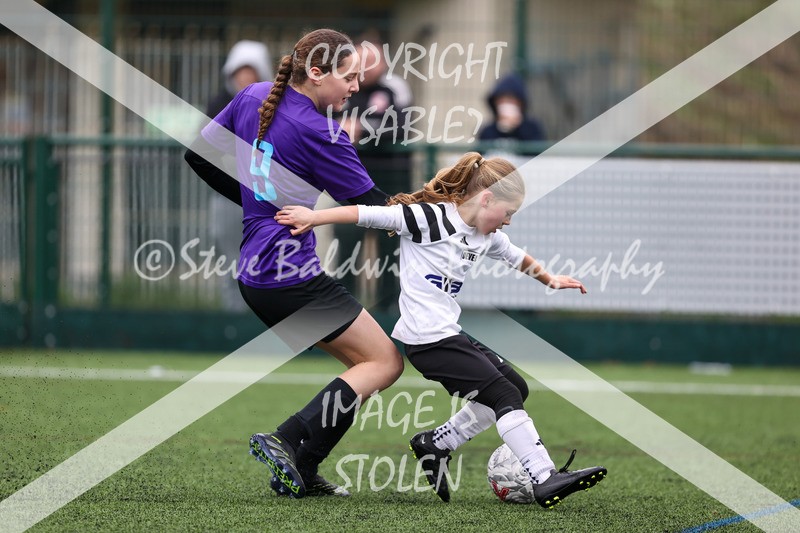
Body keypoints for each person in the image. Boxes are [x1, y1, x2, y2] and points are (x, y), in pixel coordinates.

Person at [274, 152, 607, 507]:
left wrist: (550, 279)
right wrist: (315, 217)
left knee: (516, 388)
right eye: (508, 213)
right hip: (427, 341)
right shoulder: (429, 218)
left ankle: (436, 443)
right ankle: (544, 477)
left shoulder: (485, 235)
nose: (508, 222)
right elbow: (367, 213)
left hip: (448, 335)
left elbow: (514, 255)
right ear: (487, 198)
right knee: (504, 397)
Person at [184, 28, 404, 498]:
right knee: (385, 362)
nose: (356, 87)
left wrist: (253, 205)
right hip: (289, 274)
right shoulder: (322, 133)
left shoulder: (253, 96)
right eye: (348, 77)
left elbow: (197, 156)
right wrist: (441, 213)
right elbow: (379, 210)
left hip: (257, 274)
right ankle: (285, 439)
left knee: (362, 369)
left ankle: (301, 471)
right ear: (316, 72)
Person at [335, 33, 413, 308]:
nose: (366, 67)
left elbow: (403, 125)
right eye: (361, 60)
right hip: (348, 185)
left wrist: (364, 129)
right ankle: (344, 310)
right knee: (347, 245)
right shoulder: (342, 88)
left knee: (390, 250)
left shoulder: (394, 88)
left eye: (372, 60)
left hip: (390, 186)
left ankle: (388, 309)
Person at [206, 40, 274, 312]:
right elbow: (209, 149)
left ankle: (261, 321)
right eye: (240, 71)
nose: (245, 78)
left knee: (266, 262)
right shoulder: (219, 103)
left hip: (264, 196)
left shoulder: (273, 105)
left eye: (251, 71)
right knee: (233, 260)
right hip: (229, 196)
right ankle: (233, 320)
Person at [479, 73, 546, 143]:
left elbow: (538, 150)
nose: (506, 104)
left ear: (521, 103)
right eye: (502, 100)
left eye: (510, 100)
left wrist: (519, 128)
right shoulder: (487, 131)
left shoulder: (532, 128)